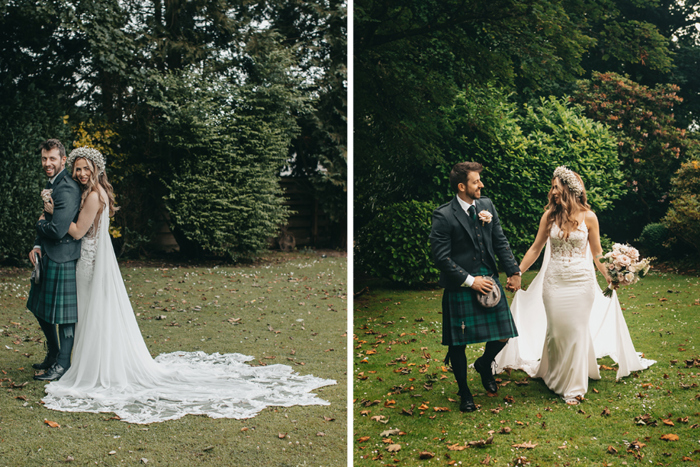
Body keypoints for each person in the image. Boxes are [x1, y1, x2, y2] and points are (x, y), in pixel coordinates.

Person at [39, 147, 336, 424]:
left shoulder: (93, 196)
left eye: (84, 168)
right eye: (77, 169)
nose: (80, 174)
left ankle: (95, 367)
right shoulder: (97, 193)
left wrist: (52, 214)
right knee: (94, 316)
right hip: (92, 261)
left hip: (89, 262)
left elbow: (77, 232)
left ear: (95, 168)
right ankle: (92, 361)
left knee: (92, 315)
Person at [494, 166, 654, 404]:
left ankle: (575, 387)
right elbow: (536, 248)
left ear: (569, 189)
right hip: (555, 282)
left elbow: (597, 253)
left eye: (556, 187)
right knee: (557, 333)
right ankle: (554, 375)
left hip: (581, 283)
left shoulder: (589, 217)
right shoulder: (549, 216)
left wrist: (609, 275)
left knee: (577, 331)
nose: (552, 191)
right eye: (552, 187)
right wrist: (516, 272)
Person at [429, 162, 522, 412]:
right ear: (462, 186)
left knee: (504, 333)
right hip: (462, 285)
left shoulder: (486, 206)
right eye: (475, 181)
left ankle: (484, 363)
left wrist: (513, 270)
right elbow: (441, 257)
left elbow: (500, 240)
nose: (481, 184)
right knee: (457, 343)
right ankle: (465, 392)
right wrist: (471, 281)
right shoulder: (444, 215)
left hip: (490, 279)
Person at [27, 139, 82, 381]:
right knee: (39, 308)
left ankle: (62, 364)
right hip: (48, 254)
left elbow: (58, 229)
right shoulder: (53, 184)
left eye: (52, 159)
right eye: (44, 158)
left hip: (63, 258)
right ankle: (54, 353)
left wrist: (39, 223)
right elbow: (48, 224)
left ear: (63, 159)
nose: (47, 163)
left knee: (64, 316)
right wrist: (37, 244)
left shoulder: (67, 187)